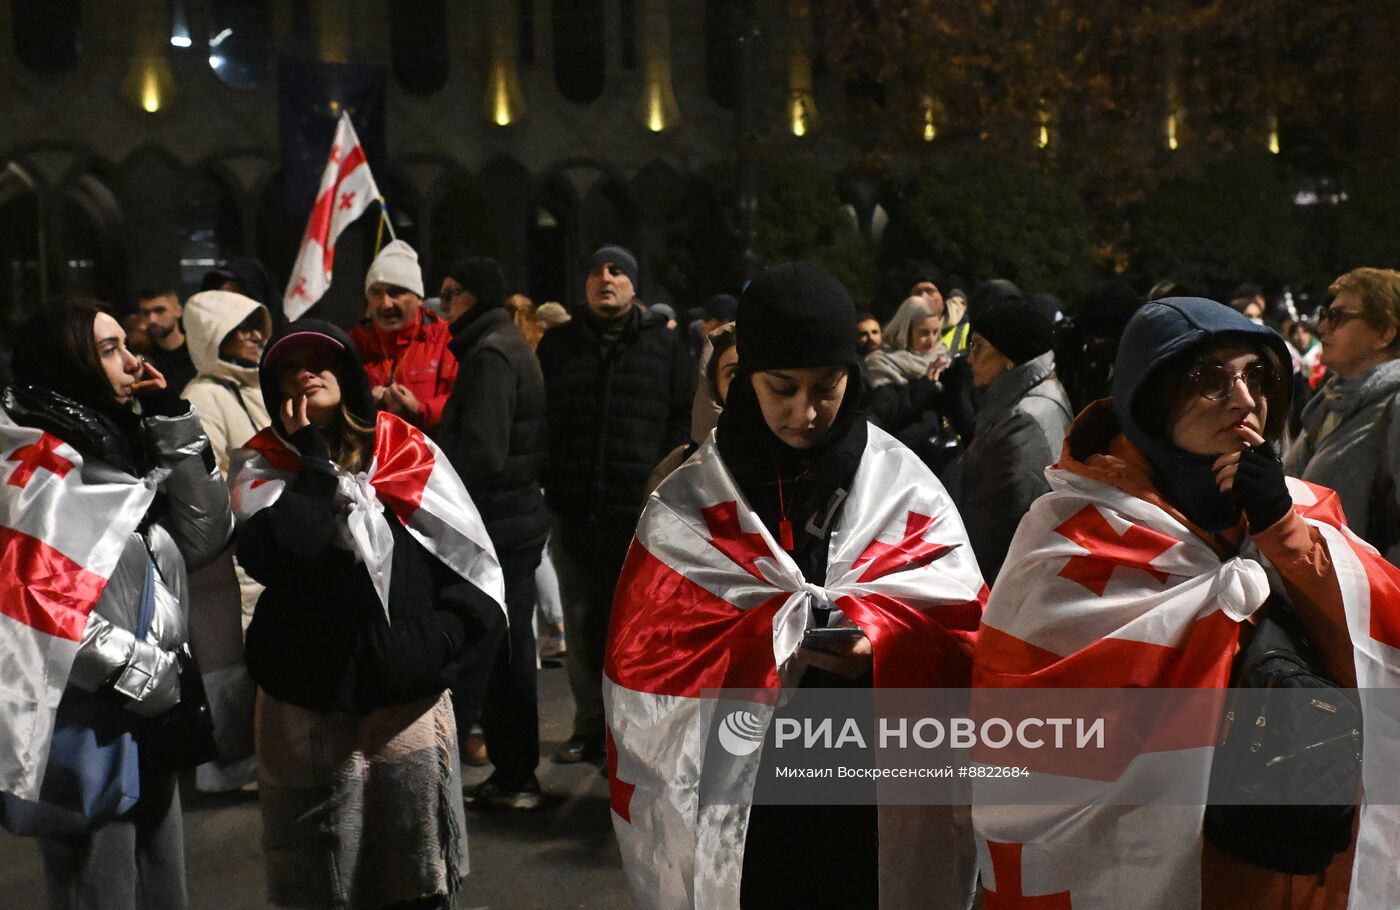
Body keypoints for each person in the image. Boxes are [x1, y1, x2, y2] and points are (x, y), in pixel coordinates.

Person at [973, 296, 1400, 908]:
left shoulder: (1299, 510)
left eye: (1256, 375)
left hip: (1279, 868)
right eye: (1208, 380)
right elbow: (1025, 732)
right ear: (1151, 398)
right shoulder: (1073, 535)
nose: (1244, 398)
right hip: (1142, 863)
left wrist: (1282, 533)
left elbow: (1376, 649)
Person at [605, 262, 985, 910]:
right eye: (781, 388)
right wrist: (756, 642)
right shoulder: (689, 503)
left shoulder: (905, 490)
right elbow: (644, 663)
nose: (805, 412)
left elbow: (964, 628)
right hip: (744, 795)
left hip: (866, 784)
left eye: (826, 386)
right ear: (743, 376)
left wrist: (883, 641)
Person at [231, 320, 506, 909]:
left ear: (350, 375)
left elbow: (470, 567)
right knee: (320, 881)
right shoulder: (261, 464)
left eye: (321, 359)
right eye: (290, 364)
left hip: (405, 704)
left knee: (415, 877)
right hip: (306, 709)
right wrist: (312, 467)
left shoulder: (405, 450)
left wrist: (437, 643)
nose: (307, 370)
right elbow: (283, 554)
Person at [3, 297, 232, 910]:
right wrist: (145, 674)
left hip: (148, 713)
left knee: (161, 885)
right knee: (99, 888)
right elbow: (37, 609)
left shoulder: (125, 444)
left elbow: (205, 537)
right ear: (68, 366)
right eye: (110, 350)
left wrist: (170, 419)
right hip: (86, 721)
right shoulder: (39, 466)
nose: (135, 360)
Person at [536, 243, 691, 763]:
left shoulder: (662, 347)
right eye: (596, 270)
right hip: (577, 508)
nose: (606, 278)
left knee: (637, 625)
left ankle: (630, 732)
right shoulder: (558, 345)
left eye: (617, 270)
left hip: (638, 512)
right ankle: (587, 726)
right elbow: (544, 420)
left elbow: (680, 416)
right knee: (582, 622)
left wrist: (659, 476)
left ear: (634, 285)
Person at [435, 258, 550, 809]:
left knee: (495, 653)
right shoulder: (501, 344)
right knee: (508, 649)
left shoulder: (490, 354)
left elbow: (482, 451)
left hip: (498, 527)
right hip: (513, 521)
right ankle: (514, 772)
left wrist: (438, 478)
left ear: (474, 297)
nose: (443, 304)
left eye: (450, 293)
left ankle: (511, 774)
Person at [179, 290, 273, 793]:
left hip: (261, 547)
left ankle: (251, 755)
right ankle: (228, 766)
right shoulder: (204, 397)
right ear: (213, 336)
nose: (256, 335)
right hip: (233, 552)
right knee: (228, 661)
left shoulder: (256, 388)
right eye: (243, 327)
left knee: (252, 660)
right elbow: (207, 479)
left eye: (258, 325)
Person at [950, 299, 1073, 582]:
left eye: (978, 347)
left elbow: (1002, 524)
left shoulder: (1025, 419)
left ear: (1009, 356)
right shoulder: (1030, 399)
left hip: (1005, 581)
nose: (969, 358)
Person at [1284, 267, 1400, 564]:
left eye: (1338, 317)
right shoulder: (1331, 400)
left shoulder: (1394, 405)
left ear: (1385, 333)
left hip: (1368, 600)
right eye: (1324, 314)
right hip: (1313, 593)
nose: (1322, 327)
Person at [349, 240, 458, 433]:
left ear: (418, 298)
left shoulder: (445, 340)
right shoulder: (353, 344)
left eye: (395, 292)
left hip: (430, 455)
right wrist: (364, 405)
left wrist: (421, 411)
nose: (385, 304)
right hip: (372, 455)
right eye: (376, 293)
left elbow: (461, 400)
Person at [138, 287, 196, 409]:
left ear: (178, 311)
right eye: (145, 313)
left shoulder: (198, 352)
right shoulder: (140, 358)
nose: (152, 319)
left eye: (159, 310)